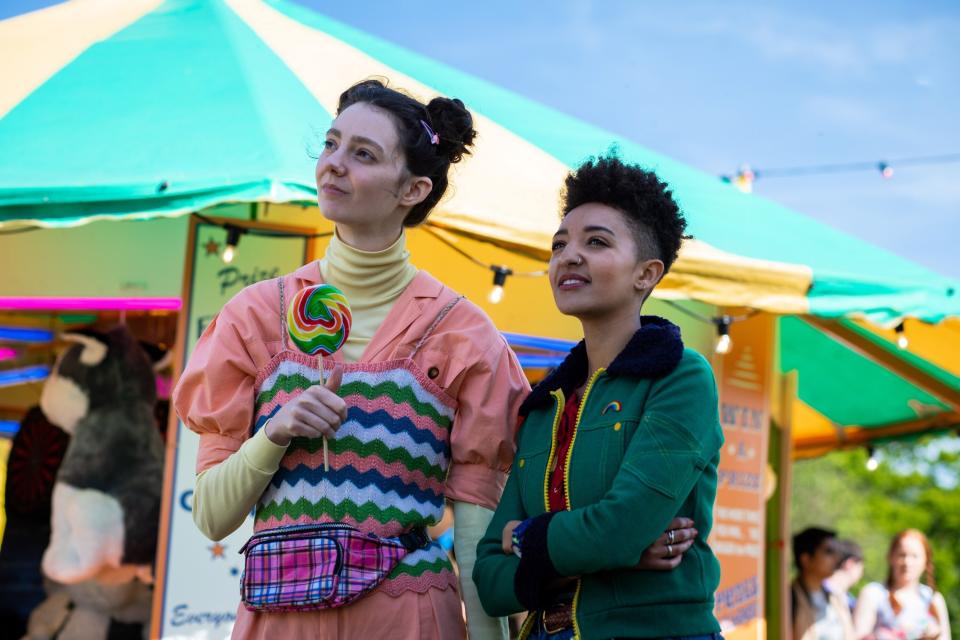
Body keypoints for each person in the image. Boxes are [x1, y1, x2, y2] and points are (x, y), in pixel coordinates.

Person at [173, 79, 532, 639]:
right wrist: (275, 433)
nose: (334, 164)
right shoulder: (256, 316)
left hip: (408, 615)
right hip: (280, 614)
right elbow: (214, 517)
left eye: (363, 154)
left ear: (412, 189)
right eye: (331, 144)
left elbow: (474, 533)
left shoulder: (463, 333)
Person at [472, 155, 724, 640]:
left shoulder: (682, 377)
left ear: (646, 274)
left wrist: (524, 539)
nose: (568, 256)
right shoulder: (544, 404)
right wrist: (598, 558)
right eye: (559, 245)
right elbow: (489, 579)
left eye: (597, 242)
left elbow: (622, 528)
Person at [853, 529, 951, 640]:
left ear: (926, 561)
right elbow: (857, 636)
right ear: (890, 557)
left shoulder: (933, 598)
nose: (907, 562)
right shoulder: (873, 593)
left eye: (915, 556)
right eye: (902, 555)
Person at [791, 527, 856, 640]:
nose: (836, 558)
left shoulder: (836, 598)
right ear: (806, 559)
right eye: (828, 552)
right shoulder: (788, 599)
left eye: (837, 552)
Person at [826, 539, 865, 613]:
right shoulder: (821, 591)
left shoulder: (849, 600)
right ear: (850, 563)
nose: (861, 574)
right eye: (861, 568)